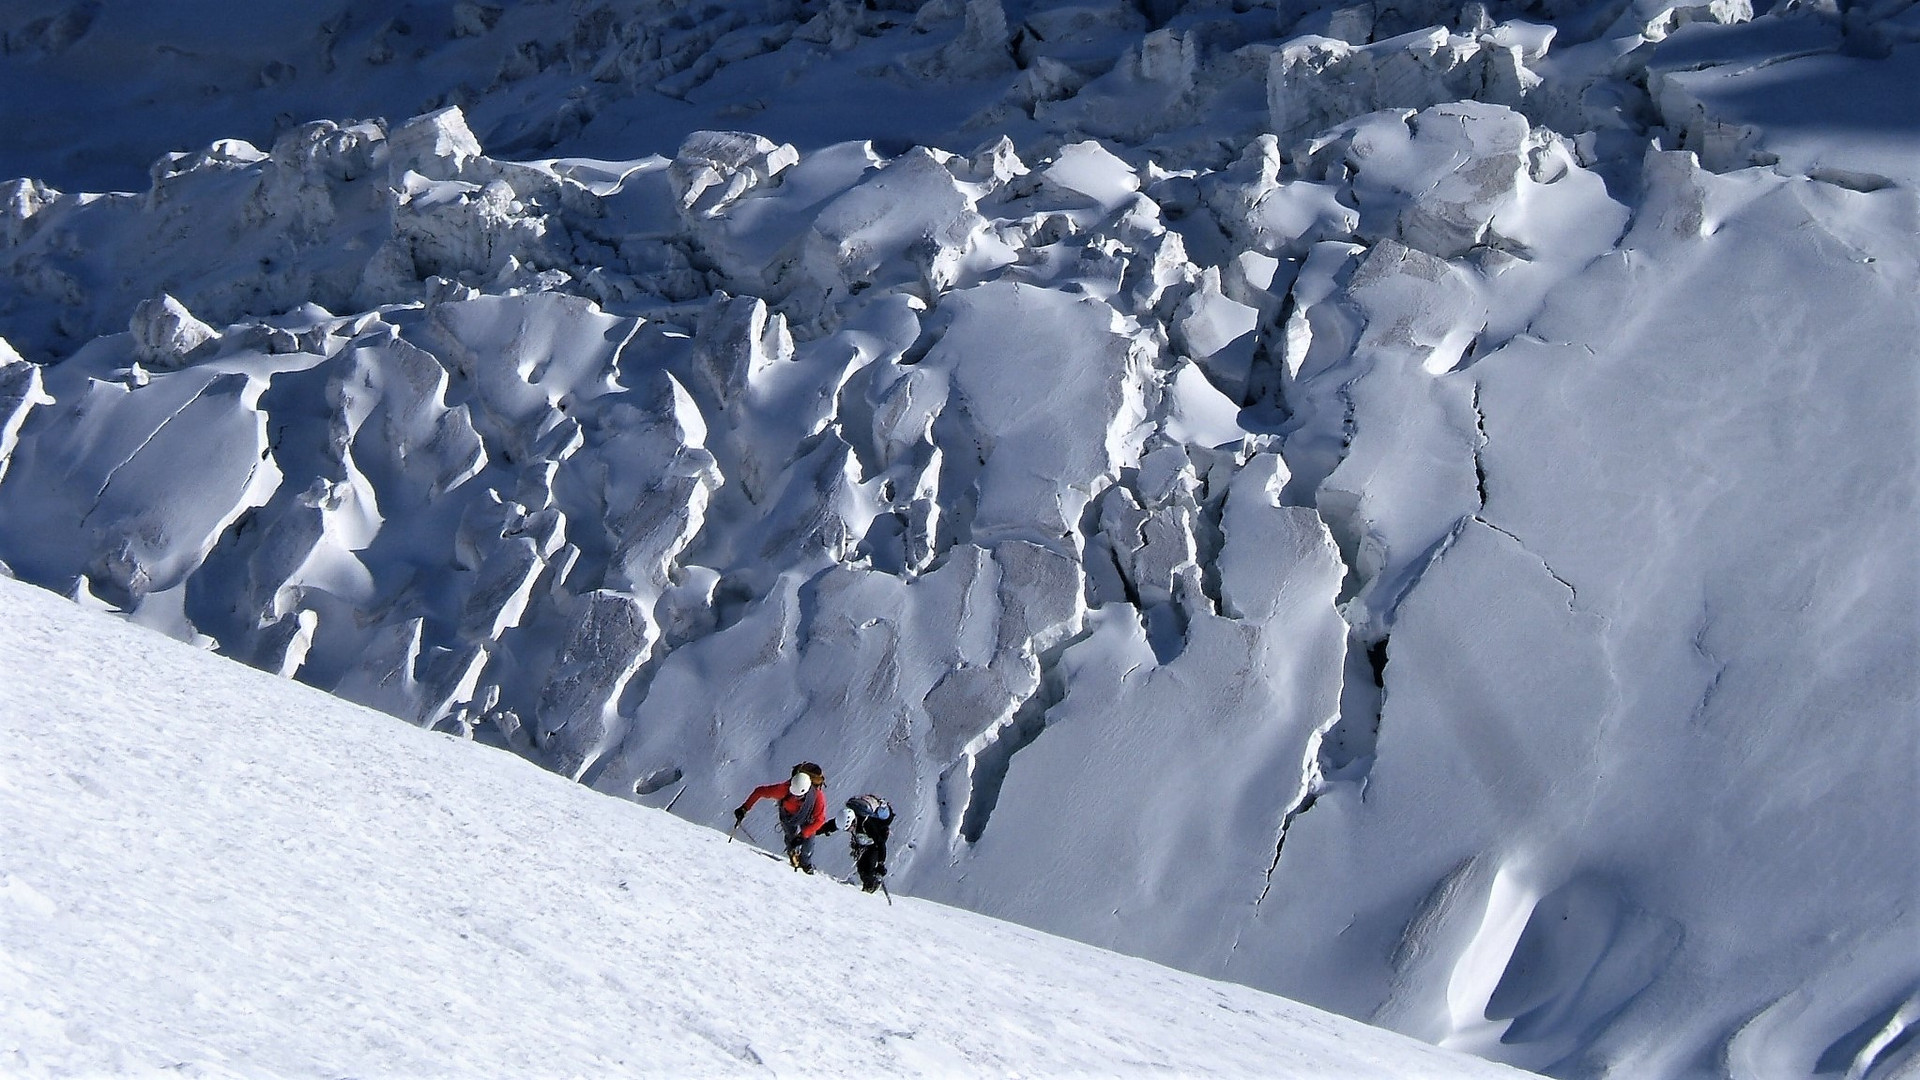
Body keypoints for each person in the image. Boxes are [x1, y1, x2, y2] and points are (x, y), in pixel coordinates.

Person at [734, 762, 833, 873]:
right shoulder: (784, 789)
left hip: (805, 817)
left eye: (799, 796)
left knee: (808, 844)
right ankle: (793, 854)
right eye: (794, 794)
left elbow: (820, 820)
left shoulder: (818, 797)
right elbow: (759, 792)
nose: (796, 797)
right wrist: (744, 808)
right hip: (789, 816)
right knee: (791, 838)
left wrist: (802, 834)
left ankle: (805, 864)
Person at [842, 794, 893, 893]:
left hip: (874, 842)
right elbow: (833, 825)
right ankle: (869, 886)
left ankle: (871, 886)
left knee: (867, 867)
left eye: (849, 828)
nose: (849, 830)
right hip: (867, 841)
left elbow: (881, 844)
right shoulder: (854, 820)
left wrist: (881, 864)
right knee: (862, 868)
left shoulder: (867, 825)